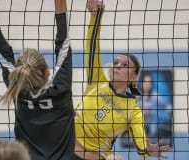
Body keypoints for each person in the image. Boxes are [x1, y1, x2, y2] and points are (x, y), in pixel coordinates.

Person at [74, 0, 172, 159]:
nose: (118, 66)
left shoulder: (133, 111)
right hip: (64, 146)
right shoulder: (97, 81)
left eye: (125, 65)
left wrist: (147, 150)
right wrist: (96, 16)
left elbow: (141, 142)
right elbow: (92, 47)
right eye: (116, 62)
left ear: (134, 78)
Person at [0, 0, 75, 159]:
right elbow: (62, 38)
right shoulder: (60, 87)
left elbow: (1, 48)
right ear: (47, 72)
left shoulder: (17, 88)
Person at [137, 74, 172, 143]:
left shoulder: (155, 96)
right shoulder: (137, 96)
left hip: (153, 125)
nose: (147, 84)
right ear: (141, 84)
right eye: (145, 82)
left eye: (149, 82)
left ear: (151, 85)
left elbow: (167, 106)